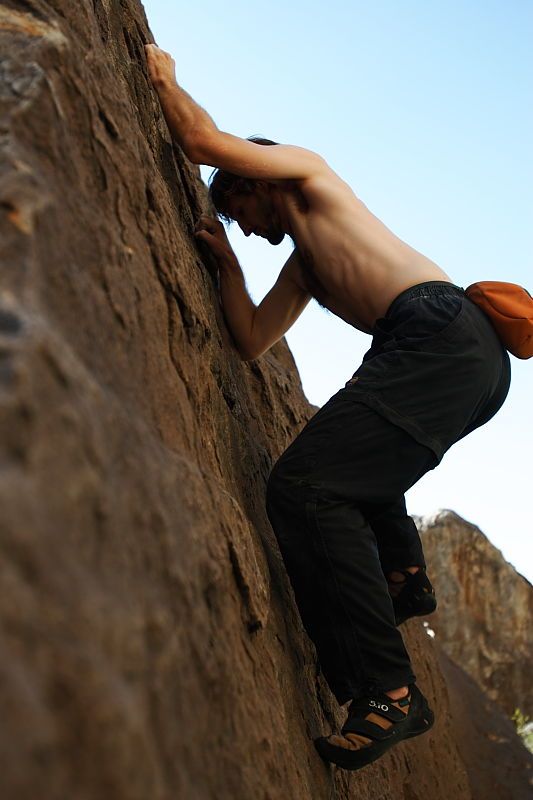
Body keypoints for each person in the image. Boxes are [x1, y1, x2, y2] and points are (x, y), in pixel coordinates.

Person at [145, 43, 512, 771]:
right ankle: (402, 576)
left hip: (436, 332)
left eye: (236, 206)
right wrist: (226, 265)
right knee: (344, 454)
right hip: (461, 369)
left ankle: (390, 691)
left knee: (305, 486)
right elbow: (250, 340)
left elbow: (198, 141)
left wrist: (165, 79)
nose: (242, 226)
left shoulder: (311, 173)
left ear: (255, 178)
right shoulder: (306, 262)